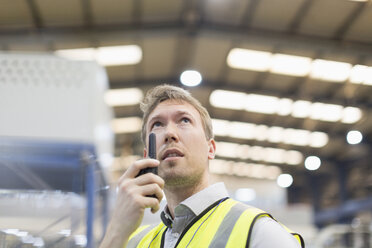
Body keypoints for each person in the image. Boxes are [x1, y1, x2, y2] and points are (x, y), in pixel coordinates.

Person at [100, 84, 305, 248]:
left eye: (184, 121)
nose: (170, 133)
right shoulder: (134, 242)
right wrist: (116, 230)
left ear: (211, 148)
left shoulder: (259, 232)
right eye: (157, 124)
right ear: (147, 155)